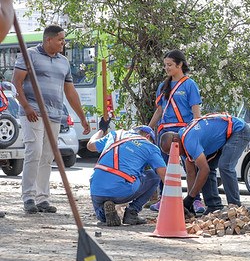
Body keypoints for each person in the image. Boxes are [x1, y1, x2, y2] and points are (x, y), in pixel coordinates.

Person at [13, 25, 91, 214]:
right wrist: (26, 107)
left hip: (55, 115)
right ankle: (29, 197)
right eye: (60, 40)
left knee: (47, 156)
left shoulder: (63, 62)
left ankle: (42, 199)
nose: (64, 43)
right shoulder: (29, 54)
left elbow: (70, 91)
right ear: (48, 40)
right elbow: (16, 83)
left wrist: (82, 117)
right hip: (32, 113)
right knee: (34, 151)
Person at [159, 113, 249, 216]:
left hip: (238, 130)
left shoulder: (189, 141)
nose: (174, 155)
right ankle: (214, 206)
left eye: (171, 151)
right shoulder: (182, 143)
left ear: (175, 142)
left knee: (225, 166)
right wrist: (190, 202)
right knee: (208, 167)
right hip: (224, 135)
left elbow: (204, 170)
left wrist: (190, 198)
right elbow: (190, 173)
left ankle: (235, 207)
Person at [147, 49, 202, 213]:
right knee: (163, 166)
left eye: (170, 65)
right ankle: (164, 199)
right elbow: (159, 111)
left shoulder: (190, 84)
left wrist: (196, 131)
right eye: (165, 65)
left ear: (180, 64)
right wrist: (148, 130)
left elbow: (196, 111)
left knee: (190, 167)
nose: (167, 68)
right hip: (164, 133)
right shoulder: (162, 87)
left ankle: (196, 200)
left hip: (184, 131)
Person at [88, 125, 165, 226]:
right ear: (147, 137)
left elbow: (90, 145)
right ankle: (132, 213)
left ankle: (103, 212)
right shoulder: (149, 146)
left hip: (96, 189)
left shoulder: (115, 135)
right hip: (121, 189)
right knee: (154, 176)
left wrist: (102, 129)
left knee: (102, 217)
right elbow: (165, 175)